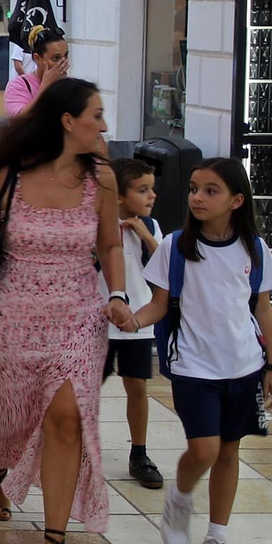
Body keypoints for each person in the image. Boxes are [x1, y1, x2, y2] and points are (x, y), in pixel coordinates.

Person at [0, 78, 137, 544]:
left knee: (66, 419)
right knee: (11, 413)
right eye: (96, 114)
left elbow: (110, 246)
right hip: (12, 314)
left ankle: (56, 542)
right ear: (68, 121)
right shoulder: (11, 172)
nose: (105, 125)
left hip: (79, 317)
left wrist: (117, 294)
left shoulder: (101, 179)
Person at [132, 158, 272, 544]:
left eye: (211, 190)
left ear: (236, 201)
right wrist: (133, 319)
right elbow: (158, 305)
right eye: (194, 189)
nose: (198, 197)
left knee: (229, 452)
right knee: (203, 450)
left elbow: (263, 308)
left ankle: (217, 540)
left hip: (243, 367)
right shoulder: (175, 247)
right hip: (192, 367)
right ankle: (179, 498)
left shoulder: (254, 249)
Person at [98, 158, 166, 490]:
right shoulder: (99, 225)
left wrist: (147, 237)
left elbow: (165, 270)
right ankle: (81, 446)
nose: (151, 196)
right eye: (143, 190)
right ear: (119, 196)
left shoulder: (151, 228)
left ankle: (139, 452)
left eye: (152, 189)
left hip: (138, 321)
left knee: (137, 387)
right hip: (98, 323)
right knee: (87, 388)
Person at [6, 25, 71, 115]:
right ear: (37, 58)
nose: (63, 63)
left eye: (66, 56)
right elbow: (19, 121)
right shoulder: (18, 85)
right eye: (55, 58)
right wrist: (45, 86)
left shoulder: (69, 87)